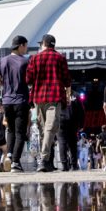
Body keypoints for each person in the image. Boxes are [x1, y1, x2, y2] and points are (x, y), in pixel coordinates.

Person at [26, 34, 72, 173]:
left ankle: (45, 161)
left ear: (43, 44)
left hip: (38, 98)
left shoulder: (34, 58)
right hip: (55, 97)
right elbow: (67, 80)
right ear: (53, 45)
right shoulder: (60, 58)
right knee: (50, 129)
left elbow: (28, 79)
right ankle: (44, 159)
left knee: (44, 130)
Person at [0, 35, 30, 173]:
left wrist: (7, 85)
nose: (26, 49)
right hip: (21, 100)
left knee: (10, 130)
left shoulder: (2, 61)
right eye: (25, 46)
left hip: (7, 101)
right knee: (20, 132)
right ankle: (15, 162)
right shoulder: (25, 61)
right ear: (20, 45)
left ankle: (8, 155)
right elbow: (29, 81)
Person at [58, 92, 84, 171]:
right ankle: (74, 165)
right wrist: (81, 124)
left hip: (60, 121)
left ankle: (64, 165)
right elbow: (81, 110)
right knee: (73, 144)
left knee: (62, 142)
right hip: (73, 121)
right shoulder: (75, 95)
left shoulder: (58, 93)